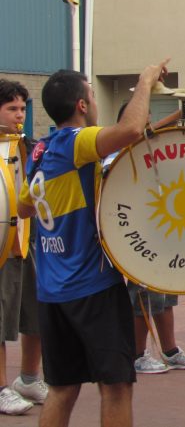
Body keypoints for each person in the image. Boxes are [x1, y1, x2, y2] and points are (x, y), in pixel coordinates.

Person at [17, 59, 170, 427]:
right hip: (92, 288)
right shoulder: (76, 142)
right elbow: (131, 128)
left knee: (62, 389)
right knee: (116, 387)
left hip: (52, 292)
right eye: (91, 94)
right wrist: (145, 80)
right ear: (82, 105)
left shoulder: (44, 151)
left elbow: (24, 207)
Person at [107, 102, 185, 375]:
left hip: (160, 235)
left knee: (165, 294)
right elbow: (139, 134)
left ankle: (170, 350)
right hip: (136, 238)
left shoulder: (150, 152)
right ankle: (137, 354)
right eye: (142, 119)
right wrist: (177, 115)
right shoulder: (117, 150)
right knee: (142, 298)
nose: (147, 124)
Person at [0, 79, 47, 415]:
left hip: (26, 243)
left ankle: (28, 378)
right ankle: (1, 388)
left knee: (37, 315)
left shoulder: (29, 147)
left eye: (21, 109)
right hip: (2, 245)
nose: (19, 115)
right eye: (11, 109)